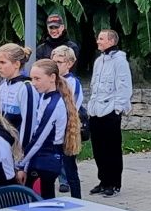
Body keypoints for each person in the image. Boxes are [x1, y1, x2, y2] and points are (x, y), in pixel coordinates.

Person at [25, 58, 81, 198]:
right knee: (40, 200)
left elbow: (39, 138)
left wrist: (21, 163)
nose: (34, 83)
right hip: (41, 159)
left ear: (52, 78)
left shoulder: (54, 104)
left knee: (41, 202)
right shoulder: (45, 97)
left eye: (37, 79)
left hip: (45, 160)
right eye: (32, 78)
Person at [87, 28, 132, 196]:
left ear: (111, 41)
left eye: (101, 38)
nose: (98, 41)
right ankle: (103, 180)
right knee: (98, 149)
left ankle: (114, 183)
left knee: (112, 149)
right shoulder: (99, 61)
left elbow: (124, 87)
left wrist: (117, 109)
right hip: (96, 111)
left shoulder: (120, 61)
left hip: (110, 112)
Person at [51, 44, 86, 196]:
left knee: (70, 168)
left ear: (69, 64)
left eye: (59, 62)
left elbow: (71, 107)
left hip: (67, 130)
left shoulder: (71, 82)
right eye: (53, 62)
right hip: (53, 130)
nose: (55, 65)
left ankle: (77, 199)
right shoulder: (52, 79)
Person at [0, 44, 39, 152]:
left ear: (17, 64)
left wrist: (21, 153)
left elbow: (29, 123)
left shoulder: (26, 87)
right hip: (4, 144)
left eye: (3, 62)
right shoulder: (3, 85)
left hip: (19, 148)